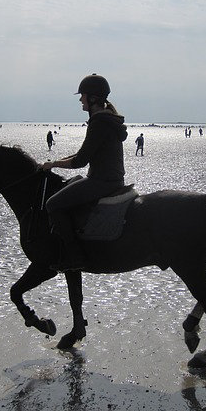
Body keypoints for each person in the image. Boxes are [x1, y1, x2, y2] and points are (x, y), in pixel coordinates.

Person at [41, 74, 128, 271]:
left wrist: (54, 163)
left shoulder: (99, 121)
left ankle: (75, 257)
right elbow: (85, 153)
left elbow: (80, 160)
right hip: (113, 180)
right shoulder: (107, 119)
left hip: (102, 181)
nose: (80, 99)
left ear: (93, 99)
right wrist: (55, 162)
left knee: (52, 204)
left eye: (83, 96)